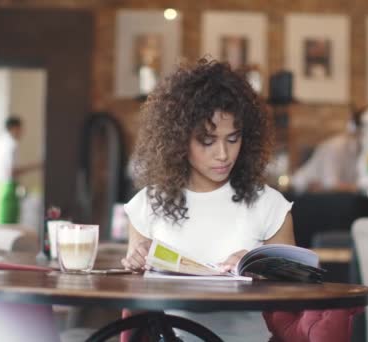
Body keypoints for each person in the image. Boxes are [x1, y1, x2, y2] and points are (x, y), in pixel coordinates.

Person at [121, 59, 295, 341]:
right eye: (207, 140)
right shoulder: (148, 204)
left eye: (233, 138)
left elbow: (297, 296)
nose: (223, 154)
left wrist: (261, 268)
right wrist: (137, 261)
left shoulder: (270, 206)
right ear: (179, 139)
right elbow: (138, 302)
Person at [0, 116, 41, 224]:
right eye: (21, 129)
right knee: (7, 228)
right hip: (8, 190)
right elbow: (11, 171)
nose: (22, 132)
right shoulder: (11, 145)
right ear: (14, 128)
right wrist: (36, 166)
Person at [290, 109, 363, 193]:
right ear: (353, 127)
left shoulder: (363, 150)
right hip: (303, 192)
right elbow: (331, 184)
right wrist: (360, 188)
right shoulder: (335, 147)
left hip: (332, 197)